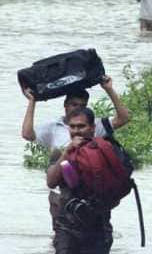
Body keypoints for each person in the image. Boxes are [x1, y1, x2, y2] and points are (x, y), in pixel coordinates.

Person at [22, 76, 130, 230]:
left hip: (91, 190)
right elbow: (27, 134)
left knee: (96, 232)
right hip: (63, 190)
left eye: (82, 105)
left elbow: (124, 118)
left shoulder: (94, 125)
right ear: (65, 106)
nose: (78, 108)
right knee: (62, 233)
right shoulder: (53, 127)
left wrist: (108, 89)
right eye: (74, 104)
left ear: (91, 128)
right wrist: (32, 101)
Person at [47, 108, 115, 254]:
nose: (76, 131)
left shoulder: (105, 151)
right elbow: (51, 182)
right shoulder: (61, 153)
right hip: (67, 229)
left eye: (81, 126)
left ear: (92, 128)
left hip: (99, 228)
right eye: (72, 126)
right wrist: (67, 152)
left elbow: (118, 188)